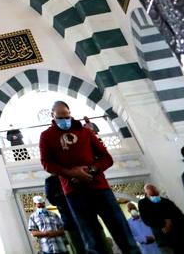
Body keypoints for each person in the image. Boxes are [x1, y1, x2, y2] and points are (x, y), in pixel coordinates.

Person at [39, 100, 138, 254]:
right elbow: (46, 163)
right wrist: (72, 173)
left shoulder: (86, 132)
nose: (64, 121)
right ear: (53, 116)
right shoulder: (46, 136)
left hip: (99, 187)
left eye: (67, 116)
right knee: (91, 239)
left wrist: (90, 171)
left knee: (121, 231)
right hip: (74, 192)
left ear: (70, 114)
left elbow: (106, 158)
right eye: (60, 117)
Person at [137, 185, 184, 254]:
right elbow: (147, 220)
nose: (154, 196)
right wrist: (164, 223)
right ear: (146, 193)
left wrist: (170, 222)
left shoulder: (167, 202)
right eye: (151, 194)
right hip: (165, 243)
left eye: (155, 192)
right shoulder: (143, 203)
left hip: (183, 241)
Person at [45, 174, 86, 253]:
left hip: (82, 217)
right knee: (78, 246)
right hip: (70, 221)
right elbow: (51, 199)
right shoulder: (51, 180)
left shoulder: (72, 173)